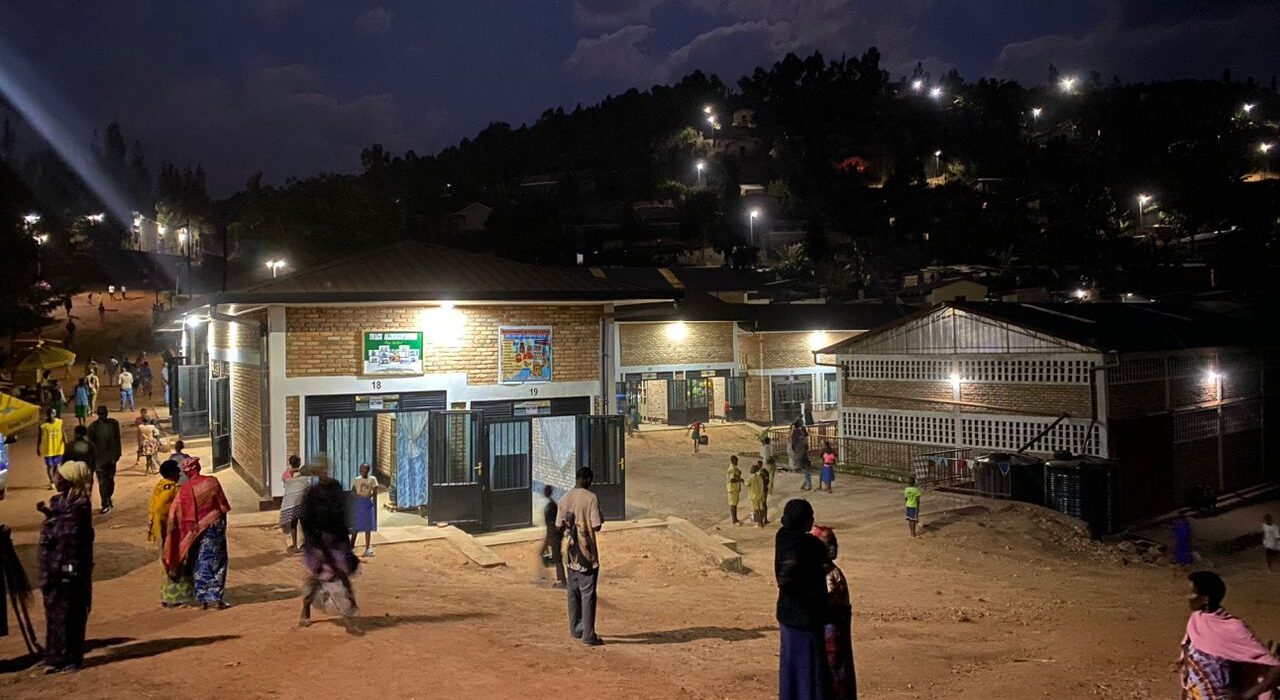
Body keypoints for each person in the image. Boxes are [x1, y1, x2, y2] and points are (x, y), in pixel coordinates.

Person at [1180, 571, 1280, 698]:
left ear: (1205, 599)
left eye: (1192, 592)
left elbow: (1276, 667)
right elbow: (1188, 649)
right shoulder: (1196, 619)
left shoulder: (1234, 628)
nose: (1187, 597)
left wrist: (1245, 695)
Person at [36, 460, 95, 673]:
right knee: (54, 614)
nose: (56, 479)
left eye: (60, 476)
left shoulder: (80, 506)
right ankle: (54, 657)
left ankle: (72, 658)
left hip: (71, 569)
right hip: (52, 568)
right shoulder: (59, 502)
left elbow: (70, 535)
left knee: (73, 614)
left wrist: (51, 520)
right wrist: (49, 515)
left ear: (70, 480)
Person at [775, 499, 833, 699]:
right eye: (810, 517)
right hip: (807, 616)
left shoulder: (782, 537)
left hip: (787, 614)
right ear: (803, 520)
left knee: (791, 665)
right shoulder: (808, 545)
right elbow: (829, 553)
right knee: (810, 668)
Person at [299, 458, 360, 632]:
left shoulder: (336, 488)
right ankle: (347, 620)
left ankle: (348, 614)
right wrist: (316, 543)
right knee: (325, 578)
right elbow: (306, 521)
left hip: (337, 541)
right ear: (315, 473)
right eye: (320, 469)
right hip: (318, 544)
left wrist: (347, 537)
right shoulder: (311, 494)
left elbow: (343, 513)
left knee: (341, 574)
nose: (323, 471)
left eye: (325, 468)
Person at [164, 457, 232, 610]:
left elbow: (174, 514)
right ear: (198, 467)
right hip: (215, 528)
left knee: (198, 561)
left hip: (193, 532)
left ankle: (203, 599)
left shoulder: (183, 492)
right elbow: (222, 505)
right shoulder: (212, 482)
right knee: (218, 561)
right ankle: (217, 598)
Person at [556, 467, 605, 646]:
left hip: (570, 554)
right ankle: (588, 635)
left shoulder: (564, 498)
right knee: (588, 594)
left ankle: (576, 629)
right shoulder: (591, 498)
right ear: (588, 479)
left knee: (573, 593)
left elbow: (558, 526)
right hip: (587, 553)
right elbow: (597, 526)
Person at [811, 526, 857, 699]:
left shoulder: (830, 570)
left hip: (838, 631)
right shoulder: (820, 573)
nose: (833, 548)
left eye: (835, 543)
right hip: (829, 632)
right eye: (828, 544)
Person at [147, 460, 193, 608]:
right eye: (177, 472)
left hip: (160, 531)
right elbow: (160, 509)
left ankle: (169, 596)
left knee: (166, 562)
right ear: (172, 474)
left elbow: (153, 509)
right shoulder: (170, 489)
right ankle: (174, 597)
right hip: (169, 533)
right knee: (174, 561)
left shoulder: (160, 485)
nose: (179, 474)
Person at [86, 406, 122, 514]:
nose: (103, 416)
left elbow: (117, 439)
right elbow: (90, 446)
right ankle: (105, 503)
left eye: (104, 414)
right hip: (99, 461)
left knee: (110, 481)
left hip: (111, 459)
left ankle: (108, 498)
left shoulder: (113, 424)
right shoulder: (92, 428)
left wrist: (118, 454)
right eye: (101, 414)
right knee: (102, 482)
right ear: (98, 414)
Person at [279, 455, 308, 552]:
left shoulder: (285, 474)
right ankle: (304, 544)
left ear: (290, 463)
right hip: (302, 502)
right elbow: (306, 486)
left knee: (293, 524)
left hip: (290, 503)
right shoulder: (303, 473)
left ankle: (295, 545)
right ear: (299, 463)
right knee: (304, 523)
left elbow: (286, 485)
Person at [540, 484, 566, 588]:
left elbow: (555, 522)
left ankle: (561, 580)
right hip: (551, 533)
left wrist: (553, 535)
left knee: (557, 557)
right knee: (544, 553)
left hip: (554, 534)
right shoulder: (551, 504)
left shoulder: (552, 506)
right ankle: (550, 575)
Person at [350, 464, 378, 557]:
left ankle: (367, 548)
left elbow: (374, 492)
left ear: (368, 470)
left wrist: (370, 498)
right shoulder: (356, 480)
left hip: (367, 503)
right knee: (356, 526)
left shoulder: (372, 479)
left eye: (365, 469)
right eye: (361, 469)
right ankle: (351, 546)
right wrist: (358, 497)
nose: (363, 471)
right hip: (359, 503)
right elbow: (353, 491)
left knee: (367, 526)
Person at [37, 409, 67, 490]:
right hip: (48, 449)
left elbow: (63, 433)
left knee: (56, 467)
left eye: (52, 413)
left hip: (58, 448)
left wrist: (66, 444)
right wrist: (38, 448)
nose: (51, 415)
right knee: (50, 466)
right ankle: (52, 482)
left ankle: (53, 479)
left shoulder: (60, 422)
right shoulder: (43, 425)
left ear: (55, 414)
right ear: (47, 414)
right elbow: (39, 437)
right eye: (49, 414)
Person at [748, 462, 768, 528]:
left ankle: (761, 521)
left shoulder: (760, 474)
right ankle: (762, 520)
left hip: (761, 492)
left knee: (759, 506)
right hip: (761, 491)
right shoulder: (760, 474)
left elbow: (767, 481)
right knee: (761, 506)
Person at [726, 455, 744, 526]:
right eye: (736, 461)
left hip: (735, 488)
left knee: (735, 504)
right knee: (733, 504)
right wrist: (740, 479)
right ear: (732, 461)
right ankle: (734, 520)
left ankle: (735, 519)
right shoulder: (732, 469)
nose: (737, 462)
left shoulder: (735, 468)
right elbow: (732, 479)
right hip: (732, 488)